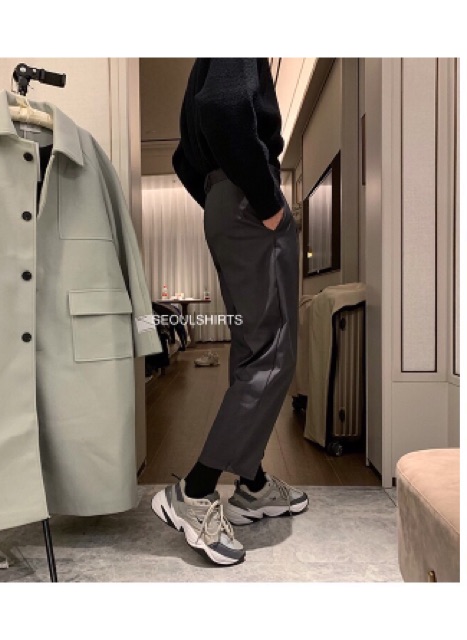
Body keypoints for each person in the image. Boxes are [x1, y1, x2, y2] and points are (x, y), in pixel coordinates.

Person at [151, 58, 308, 566]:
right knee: (272, 354)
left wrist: (220, 198)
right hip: (247, 201)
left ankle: (253, 484)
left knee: (250, 350)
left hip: (227, 202)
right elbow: (222, 106)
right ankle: (195, 492)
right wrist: (265, 202)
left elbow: (182, 159)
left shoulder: (205, 58)